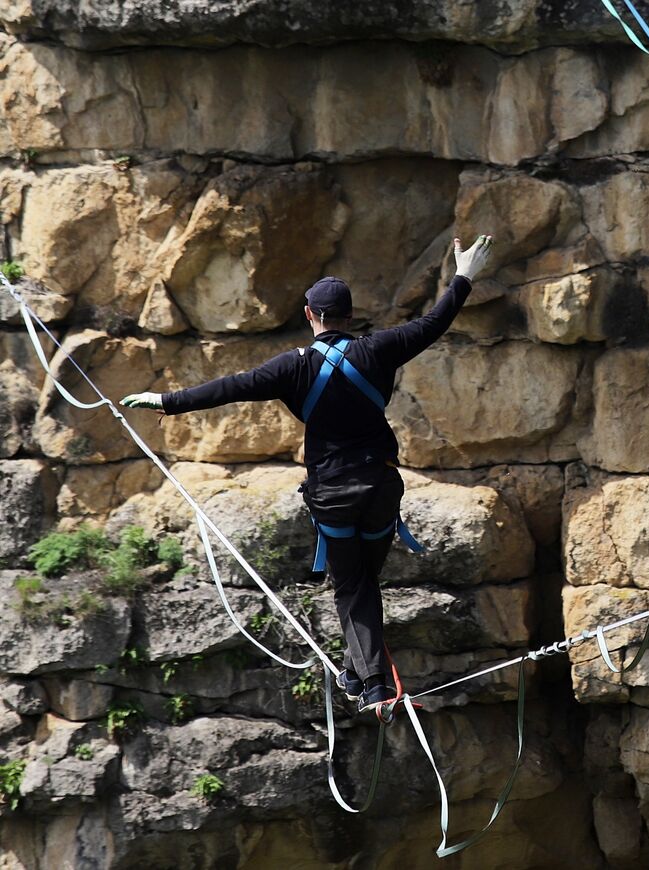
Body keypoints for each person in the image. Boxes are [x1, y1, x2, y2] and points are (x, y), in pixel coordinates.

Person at [121, 234, 494, 714]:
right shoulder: (379, 349)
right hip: (381, 487)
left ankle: (375, 688)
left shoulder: (290, 367)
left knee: (353, 586)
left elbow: (228, 388)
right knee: (362, 582)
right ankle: (359, 675)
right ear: (350, 315)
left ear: (308, 316)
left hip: (333, 493)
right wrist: (464, 276)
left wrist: (166, 401)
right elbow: (434, 322)